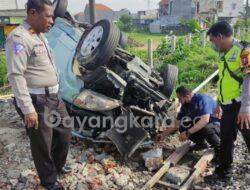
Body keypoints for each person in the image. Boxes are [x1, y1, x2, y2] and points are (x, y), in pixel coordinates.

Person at [5, 0, 72, 189]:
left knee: (64, 133)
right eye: (48, 16)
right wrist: (28, 109)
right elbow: (16, 75)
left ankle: (57, 167)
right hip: (37, 100)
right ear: (32, 13)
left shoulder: (40, 35)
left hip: (54, 97)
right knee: (42, 143)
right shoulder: (19, 38)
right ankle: (49, 181)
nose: (52, 20)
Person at [206, 21, 250, 180]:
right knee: (225, 139)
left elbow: (248, 79)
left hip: (242, 106)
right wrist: (219, 102)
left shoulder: (244, 50)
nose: (213, 44)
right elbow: (223, 80)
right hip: (228, 107)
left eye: (213, 40)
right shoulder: (224, 53)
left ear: (220, 36)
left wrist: (246, 108)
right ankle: (224, 172)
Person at [156, 86, 220, 157]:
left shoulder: (202, 99)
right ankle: (201, 144)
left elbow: (205, 120)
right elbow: (176, 123)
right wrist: (163, 135)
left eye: (180, 99)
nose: (179, 101)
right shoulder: (185, 105)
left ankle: (220, 150)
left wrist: (188, 132)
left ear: (187, 96)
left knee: (207, 129)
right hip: (205, 124)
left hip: (218, 123)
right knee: (183, 126)